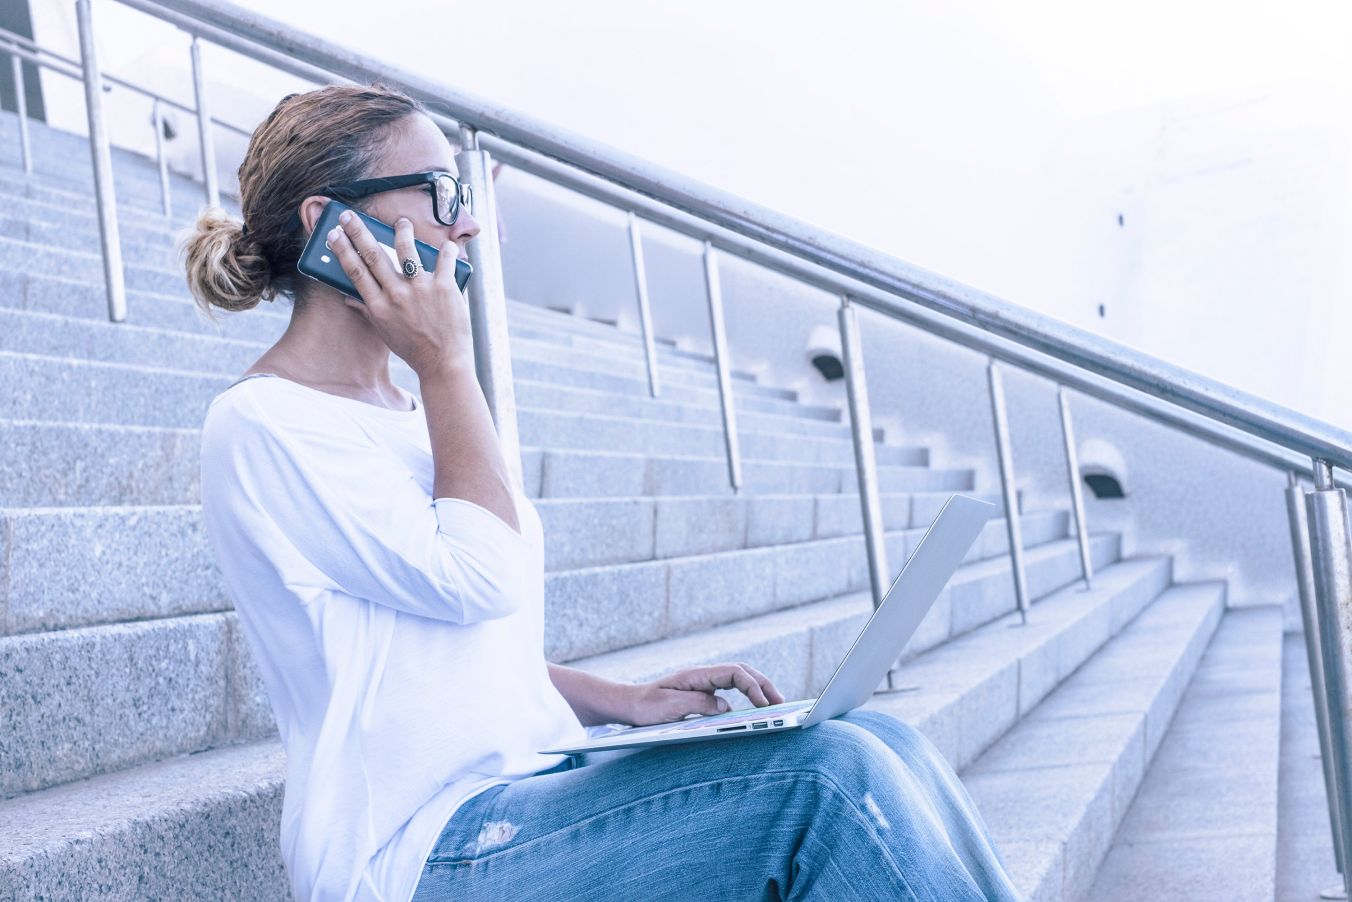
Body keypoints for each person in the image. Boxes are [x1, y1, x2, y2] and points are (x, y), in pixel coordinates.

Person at [184, 82, 1024, 902]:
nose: (469, 221)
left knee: (878, 738)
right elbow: (482, 576)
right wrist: (444, 361)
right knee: (828, 785)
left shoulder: (408, 411)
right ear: (329, 224)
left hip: (529, 792)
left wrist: (622, 702)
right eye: (443, 193)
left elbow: (454, 648)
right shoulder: (266, 426)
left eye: (467, 195)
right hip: (417, 850)